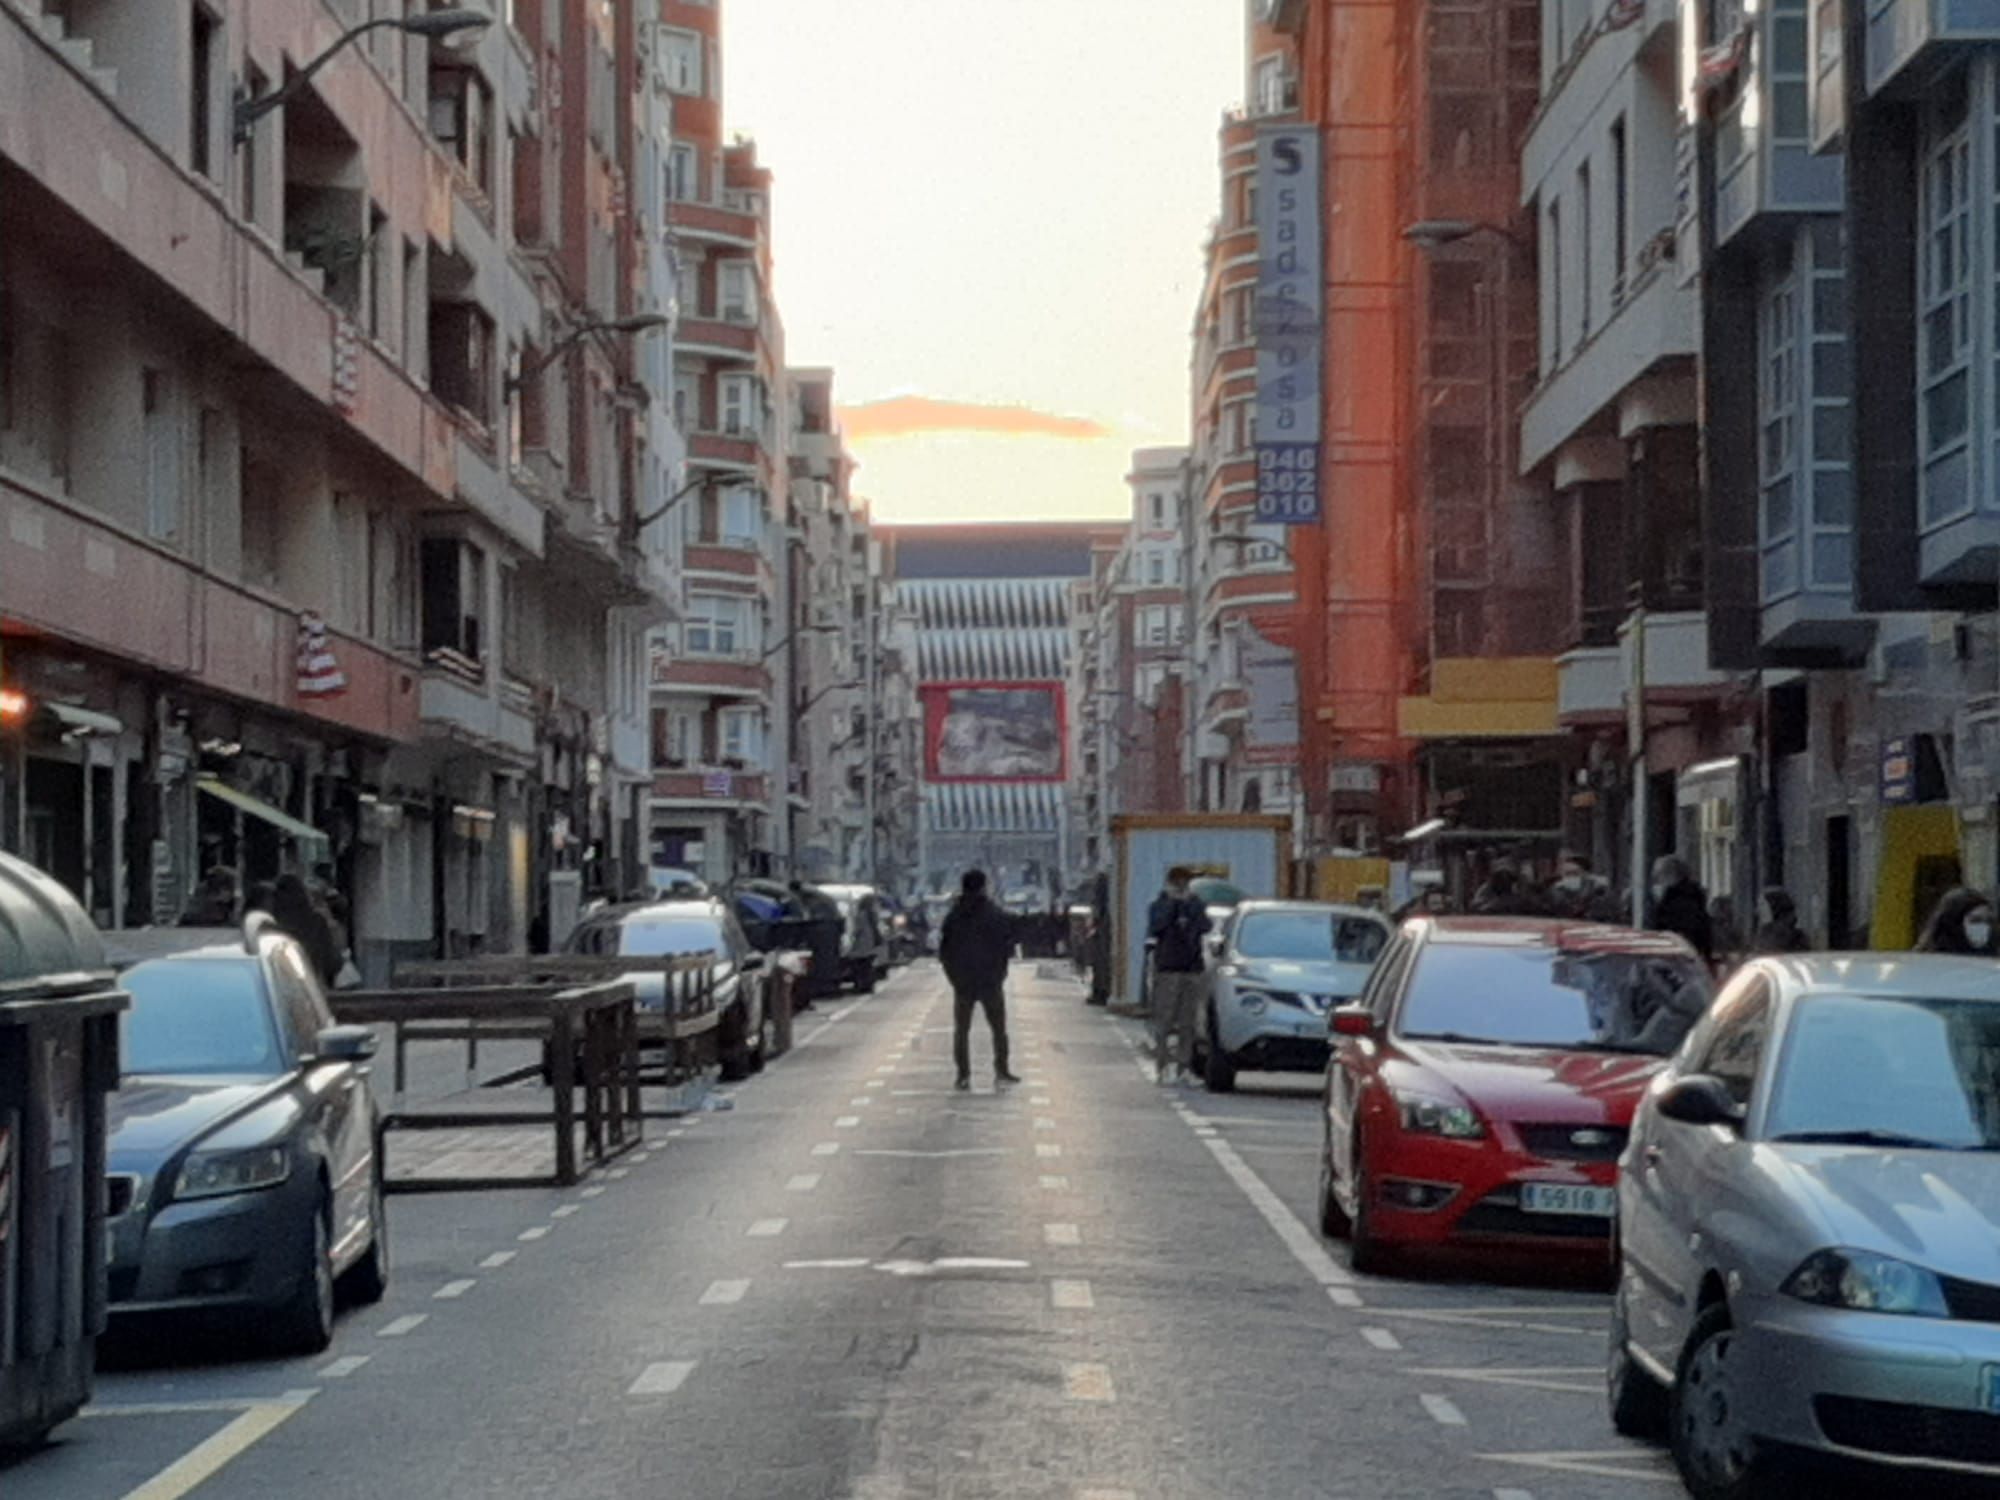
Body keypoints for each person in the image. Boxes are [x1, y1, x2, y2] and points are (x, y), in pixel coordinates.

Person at [939, 869, 1021, 1090]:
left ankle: (963, 1074)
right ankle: (1001, 1070)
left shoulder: (954, 915)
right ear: (984, 886)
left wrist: (954, 977)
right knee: (998, 1029)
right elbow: (1007, 944)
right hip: (989, 981)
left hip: (963, 982)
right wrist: (999, 973)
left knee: (962, 1030)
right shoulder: (994, 914)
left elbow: (945, 950)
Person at [1147, 866, 1211, 1084]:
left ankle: (1184, 1067)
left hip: (1191, 968)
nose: (1183, 885)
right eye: (1180, 881)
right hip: (1168, 968)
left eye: (1186, 882)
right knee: (1164, 1020)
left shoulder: (1195, 903)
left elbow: (1206, 925)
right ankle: (1161, 1065)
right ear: (1171, 882)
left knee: (1188, 1022)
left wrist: (1190, 907)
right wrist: (1173, 905)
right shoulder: (1160, 904)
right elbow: (1156, 927)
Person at [266, 872, 342, 987]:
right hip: (310, 987)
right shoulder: (316, 922)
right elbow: (330, 961)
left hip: (277, 987)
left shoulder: (270, 924)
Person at [1647, 855, 1714, 963]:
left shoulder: (1679, 902)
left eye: (1659, 876)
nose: (1657, 881)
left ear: (1670, 875)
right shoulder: (1694, 897)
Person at [1916, 887, 1999, 956]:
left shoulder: (1992, 963)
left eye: (1988, 921)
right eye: (1976, 920)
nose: (1984, 927)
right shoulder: (1927, 962)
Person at [1751, 887, 1810, 954]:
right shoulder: (1764, 933)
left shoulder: (1793, 937)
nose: (1757, 911)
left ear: (1774, 907)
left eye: (1762, 905)